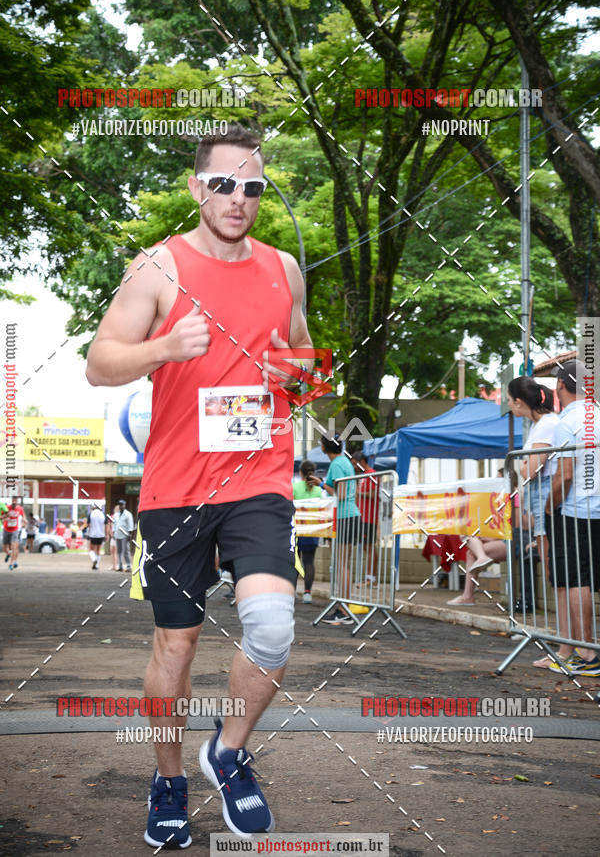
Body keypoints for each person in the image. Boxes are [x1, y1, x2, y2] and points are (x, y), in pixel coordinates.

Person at [86, 124, 313, 847]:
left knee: (274, 625)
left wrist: (298, 371)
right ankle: (169, 780)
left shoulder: (283, 269)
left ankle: (228, 751)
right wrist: (163, 347)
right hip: (177, 487)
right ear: (198, 188)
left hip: (259, 477)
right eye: (224, 184)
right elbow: (99, 363)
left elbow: (305, 361)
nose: (239, 199)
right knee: (175, 647)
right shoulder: (157, 267)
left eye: (252, 187)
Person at [544, 359, 600, 677]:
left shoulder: (567, 422)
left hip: (575, 509)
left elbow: (564, 475)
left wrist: (550, 505)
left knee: (578, 580)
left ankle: (588, 653)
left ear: (560, 387)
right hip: (596, 507)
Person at [506, 376, 562, 665]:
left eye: (509, 400)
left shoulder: (548, 424)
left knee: (560, 577)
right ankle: (566, 646)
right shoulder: (541, 425)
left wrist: (521, 465)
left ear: (519, 401)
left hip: (547, 505)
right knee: (557, 578)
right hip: (541, 505)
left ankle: (569, 647)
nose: (509, 405)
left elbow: (531, 467)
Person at [311, 434, 361, 625]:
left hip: (345, 516)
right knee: (342, 564)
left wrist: (322, 484)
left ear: (324, 447)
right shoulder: (344, 462)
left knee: (342, 565)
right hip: (347, 515)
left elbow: (339, 494)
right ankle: (343, 607)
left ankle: (344, 609)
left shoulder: (338, 464)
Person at [292, 460, 325, 603]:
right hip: (312, 530)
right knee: (309, 562)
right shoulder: (318, 490)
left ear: (300, 472)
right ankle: (307, 593)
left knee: (295, 561)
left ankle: (291, 591)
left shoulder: (295, 487)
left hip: (297, 528)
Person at [447, 535, 507, 606]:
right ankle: (481, 556)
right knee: (469, 541)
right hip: (503, 538)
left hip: (513, 540)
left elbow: (517, 530)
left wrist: (494, 537)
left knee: (472, 552)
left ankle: (467, 596)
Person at [350, 450, 380, 585]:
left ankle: (371, 578)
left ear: (362, 462)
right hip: (362, 517)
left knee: (369, 547)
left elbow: (374, 495)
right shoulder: (364, 476)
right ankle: (370, 577)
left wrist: (359, 493)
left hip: (369, 517)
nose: (354, 467)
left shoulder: (372, 474)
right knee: (367, 547)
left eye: (355, 464)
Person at [3, 495, 25, 570]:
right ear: (11, 500)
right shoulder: (6, 508)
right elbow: (2, 516)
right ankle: (8, 554)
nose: (14, 501)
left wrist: (24, 523)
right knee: (5, 548)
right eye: (13, 500)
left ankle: (12, 563)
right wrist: (6, 517)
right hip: (6, 529)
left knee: (14, 547)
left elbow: (24, 517)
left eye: (16, 500)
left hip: (16, 530)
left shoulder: (20, 509)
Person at [113, 499, 134, 572]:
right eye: (120, 505)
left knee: (126, 551)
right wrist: (113, 532)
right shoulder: (116, 514)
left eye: (122, 505)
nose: (121, 506)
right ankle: (120, 566)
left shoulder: (128, 514)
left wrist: (130, 534)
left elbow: (130, 525)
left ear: (125, 505)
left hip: (125, 535)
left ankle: (128, 566)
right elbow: (114, 524)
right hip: (117, 534)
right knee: (119, 551)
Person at [87, 503, 107, 570]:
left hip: (93, 534)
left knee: (91, 549)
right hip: (101, 535)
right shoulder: (103, 514)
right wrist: (106, 534)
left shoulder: (91, 514)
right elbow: (106, 525)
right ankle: (97, 565)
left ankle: (94, 559)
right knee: (98, 550)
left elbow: (89, 525)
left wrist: (88, 533)